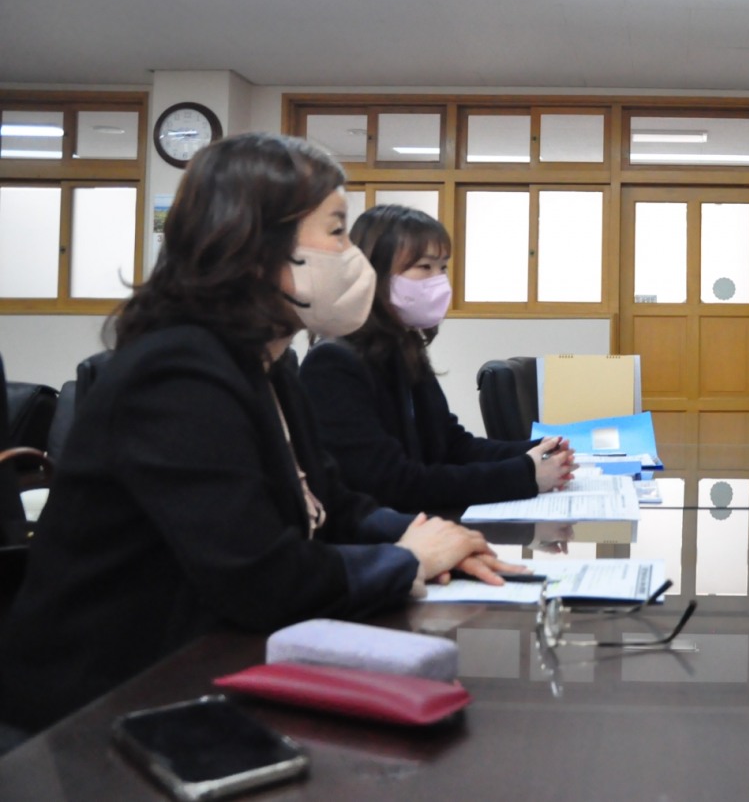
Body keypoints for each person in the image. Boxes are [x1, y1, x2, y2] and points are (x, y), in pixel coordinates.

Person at [0, 134, 517, 733]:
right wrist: (405, 561)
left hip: (203, 669)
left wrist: (424, 533)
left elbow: (333, 502)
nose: (351, 254)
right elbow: (260, 579)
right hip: (101, 707)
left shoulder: (266, 362)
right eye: (337, 230)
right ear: (258, 244)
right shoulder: (176, 371)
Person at [299, 204, 575, 514]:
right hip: (388, 543)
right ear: (373, 273)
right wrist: (524, 473)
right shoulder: (333, 366)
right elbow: (391, 483)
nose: (438, 280)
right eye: (424, 267)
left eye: (442, 268)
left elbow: (452, 446)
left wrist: (539, 451)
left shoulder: (404, 349)